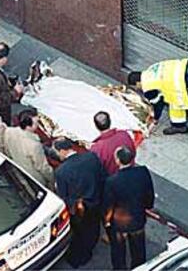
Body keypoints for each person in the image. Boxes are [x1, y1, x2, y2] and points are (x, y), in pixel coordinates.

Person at [54, 138, 106, 268]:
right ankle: (90, 246)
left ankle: (80, 257)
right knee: (94, 227)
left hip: (79, 209)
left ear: (62, 151)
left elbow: (64, 196)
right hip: (96, 201)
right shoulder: (91, 157)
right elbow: (102, 177)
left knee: (80, 233)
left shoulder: (61, 172)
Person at [103, 146, 155, 270]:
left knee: (118, 251)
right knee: (138, 250)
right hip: (137, 218)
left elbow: (109, 205)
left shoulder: (112, 181)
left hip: (119, 223)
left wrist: (107, 221)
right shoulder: (143, 172)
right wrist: (147, 206)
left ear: (117, 160)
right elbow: (149, 193)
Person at [4, 109, 54, 189]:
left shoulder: (9, 131)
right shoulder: (34, 145)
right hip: (35, 177)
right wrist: (52, 179)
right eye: (37, 122)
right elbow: (42, 167)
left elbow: (6, 149)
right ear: (29, 126)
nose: (38, 124)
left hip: (19, 170)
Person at [90, 111, 136, 175]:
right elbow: (133, 151)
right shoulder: (124, 134)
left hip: (112, 180)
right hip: (131, 171)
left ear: (96, 126)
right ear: (110, 121)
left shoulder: (96, 148)